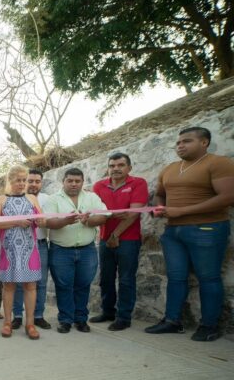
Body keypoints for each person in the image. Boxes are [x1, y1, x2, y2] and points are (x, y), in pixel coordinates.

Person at [148, 127, 234, 341]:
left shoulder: (218, 163)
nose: (180, 146)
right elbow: (159, 195)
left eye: (187, 141)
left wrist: (182, 211)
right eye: (178, 143)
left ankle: (209, 326)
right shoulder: (170, 168)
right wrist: (159, 207)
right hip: (173, 231)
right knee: (176, 278)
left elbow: (228, 197)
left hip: (207, 229)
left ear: (204, 142)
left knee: (209, 277)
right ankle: (172, 321)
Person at [46, 168, 108, 334]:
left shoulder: (92, 197)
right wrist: (65, 221)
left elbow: (104, 216)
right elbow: (48, 222)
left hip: (87, 250)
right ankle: (65, 320)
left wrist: (89, 220)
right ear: (63, 181)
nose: (74, 184)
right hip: (61, 250)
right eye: (70, 181)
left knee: (83, 285)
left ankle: (81, 319)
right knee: (63, 285)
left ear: (82, 182)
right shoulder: (53, 199)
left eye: (77, 181)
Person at [91, 153, 148, 331]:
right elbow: (95, 212)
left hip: (128, 240)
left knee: (125, 279)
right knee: (106, 278)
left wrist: (115, 234)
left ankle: (124, 317)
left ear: (129, 168)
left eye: (121, 165)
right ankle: (108, 311)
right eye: (112, 165)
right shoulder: (99, 186)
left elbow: (133, 213)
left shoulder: (138, 183)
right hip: (104, 239)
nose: (116, 168)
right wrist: (113, 215)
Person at [0, 166, 46, 339]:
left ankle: (30, 324)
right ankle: (7, 322)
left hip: (30, 249)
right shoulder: (1, 199)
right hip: (9, 250)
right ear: (10, 181)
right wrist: (17, 222)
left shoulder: (32, 199)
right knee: (9, 286)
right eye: (18, 180)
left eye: (24, 180)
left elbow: (42, 221)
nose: (22, 183)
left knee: (31, 285)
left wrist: (39, 219)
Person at [10, 169, 52, 330]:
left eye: (37, 181)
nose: (33, 184)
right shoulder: (12, 198)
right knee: (19, 282)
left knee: (40, 282)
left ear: (41, 183)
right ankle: (18, 316)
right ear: (23, 181)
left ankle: (38, 316)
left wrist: (44, 221)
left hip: (40, 244)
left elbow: (51, 219)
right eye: (30, 181)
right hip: (18, 245)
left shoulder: (47, 199)